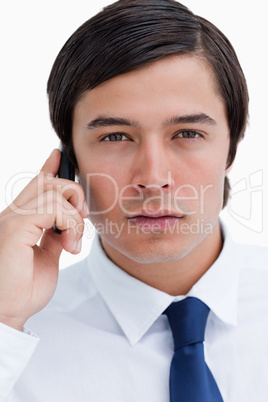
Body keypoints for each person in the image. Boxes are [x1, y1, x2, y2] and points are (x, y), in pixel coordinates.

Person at [0, 0, 267, 401]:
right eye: (115, 137)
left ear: (231, 148)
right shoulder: (14, 337)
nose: (154, 178)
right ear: (69, 161)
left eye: (188, 133)